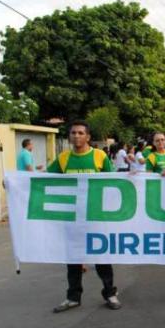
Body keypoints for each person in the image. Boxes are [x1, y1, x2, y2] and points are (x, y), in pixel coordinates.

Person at [47, 121, 121, 312]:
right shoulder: (63, 158)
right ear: (70, 136)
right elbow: (43, 179)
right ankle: (73, 297)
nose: (77, 136)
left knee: (102, 258)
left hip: (96, 217)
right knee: (73, 259)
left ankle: (110, 294)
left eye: (81, 133)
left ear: (88, 137)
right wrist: (16, 184)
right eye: (73, 133)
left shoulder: (99, 156)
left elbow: (114, 182)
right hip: (73, 218)